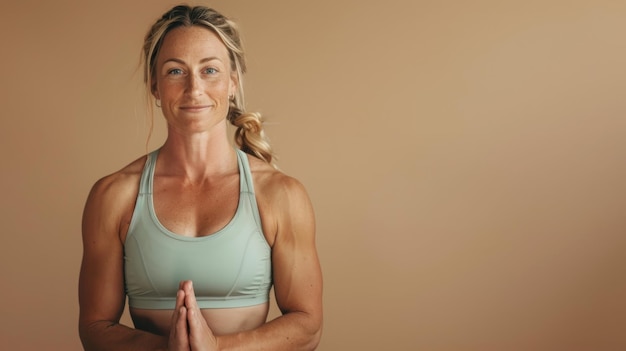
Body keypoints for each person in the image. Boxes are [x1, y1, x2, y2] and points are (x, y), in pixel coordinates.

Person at [78, 5, 323, 350]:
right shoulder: (113, 196)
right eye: (176, 71)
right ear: (155, 86)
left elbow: (308, 326)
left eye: (210, 70)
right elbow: (94, 327)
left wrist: (219, 348)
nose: (194, 88)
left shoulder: (281, 194)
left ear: (233, 81)